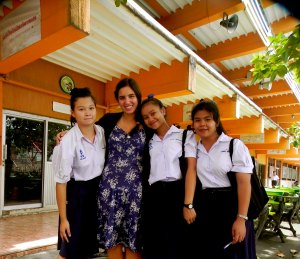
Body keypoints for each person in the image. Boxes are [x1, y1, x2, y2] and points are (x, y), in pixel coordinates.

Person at [56, 78, 148, 259]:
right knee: (108, 242)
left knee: (134, 243)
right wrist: (66, 133)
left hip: (136, 195)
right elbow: (85, 126)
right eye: (122, 97)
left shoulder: (146, 123)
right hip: (107, 194)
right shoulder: (109, 121)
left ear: (138, 96)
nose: (127, 101)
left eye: (131, 96)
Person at [190, 99, 256, 259]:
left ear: (217, 121)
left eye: (207, 119)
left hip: (231, 206)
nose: (202, 124)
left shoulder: (234, 145)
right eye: (197, 120)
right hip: (205, 207)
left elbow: (244, 184)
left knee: (233, 253)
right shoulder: (193, 148)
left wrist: (241, 219)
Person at [140, 96, 197, 259]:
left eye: (153, 113)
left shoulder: (185, 136)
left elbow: (191, 170)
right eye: (145, 117)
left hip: (177, 194)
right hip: (154, 197)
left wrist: (189, 204)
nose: (150, 119)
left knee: (177, 245)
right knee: (154, 244)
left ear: (163, 111)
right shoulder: (147, 140)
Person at [52, 87, 106, 259]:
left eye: (91, 108)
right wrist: (64, 219)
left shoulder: (102, 132)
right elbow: (61, 182)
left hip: (96, 196)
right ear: (73, 113)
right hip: (76, 197)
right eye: (81, 109)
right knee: (69, 251)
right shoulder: (67, 141)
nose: (87, 113)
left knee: (88, 250)